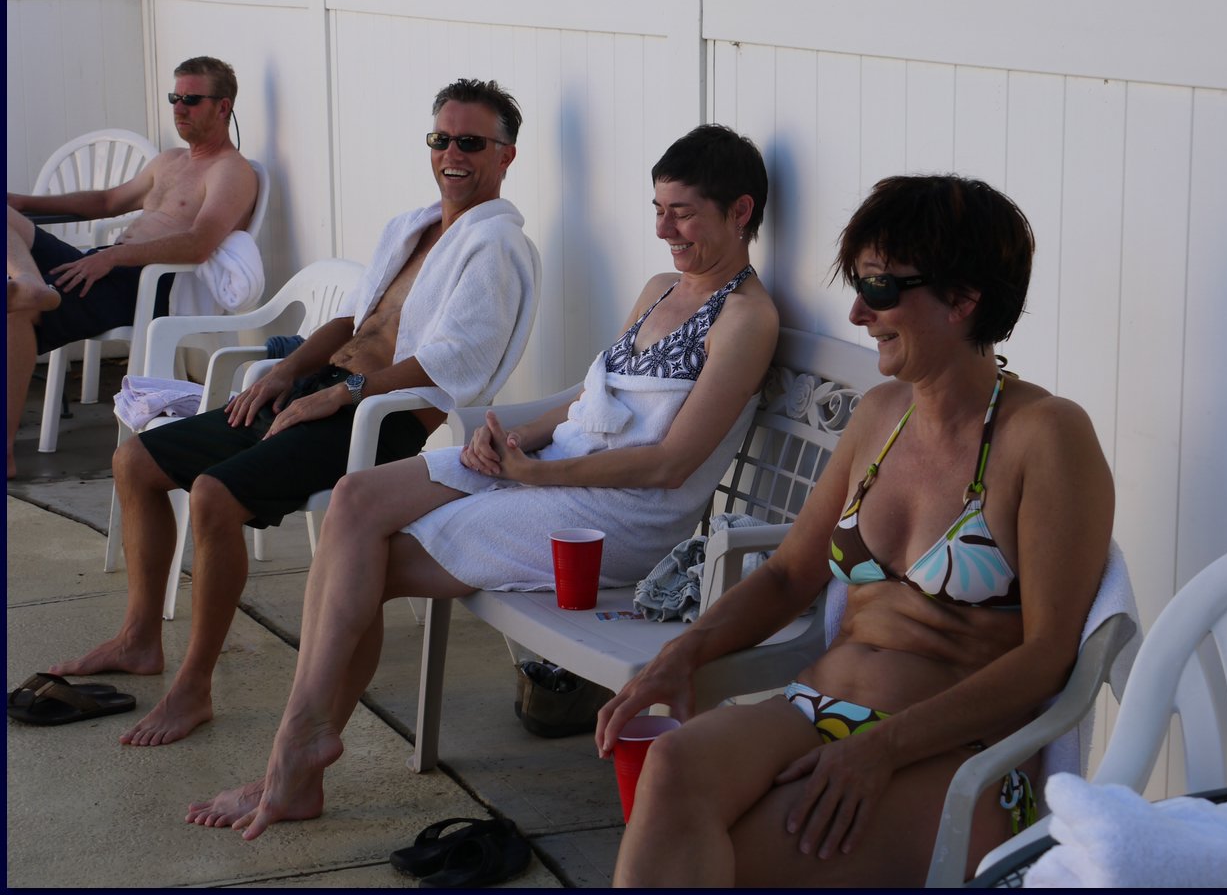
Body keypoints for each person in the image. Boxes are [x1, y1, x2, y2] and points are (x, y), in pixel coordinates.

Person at [184, 123, 779, 840]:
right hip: (551, 471)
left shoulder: (745, 320)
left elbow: (670, 464)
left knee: (365, 563)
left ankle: (296, 758)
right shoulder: (660, 289)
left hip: (615, 515)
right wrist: (517, 439)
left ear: (739, 211)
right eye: (658, 209)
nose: (663, 230)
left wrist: (535, 472)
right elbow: (590, 398)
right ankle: (300, 747)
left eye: (682, 213)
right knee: (355, 498)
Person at [595, 174, 1116, 887]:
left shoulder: (1045, 435)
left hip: (959, 753)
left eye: (878, 288)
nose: (858, 312)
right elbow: (789, 574)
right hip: (813, 706)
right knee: (672, 766)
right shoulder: (879, 415)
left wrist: (882, 749)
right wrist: (681, 653)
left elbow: (1049, 656)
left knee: (738, 858)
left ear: (963, 299)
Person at [50, 78, 542, 749]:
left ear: (505, 155)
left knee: (214, 495)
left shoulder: (498, 246)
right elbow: (354, 319)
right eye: (441, 139)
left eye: (470, 143)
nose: (451, 154)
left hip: (382, 418)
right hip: (323, 388)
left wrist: (345, 393)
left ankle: (194, 686)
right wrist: (286, 371)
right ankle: (139, 640)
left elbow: (457, 358)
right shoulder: (414, 226)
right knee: (135, 461)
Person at [7, 55, 259, 479]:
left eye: (191, 100)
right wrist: (22, 202)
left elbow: (199, 243)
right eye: (174, 98)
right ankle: (29, 281)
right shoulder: (170, 161)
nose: (179, 108)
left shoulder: (231, 172)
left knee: (16, 311)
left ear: (223, 107)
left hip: (138, 283)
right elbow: (107, 201)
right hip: (105, 263)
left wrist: (112, 257)